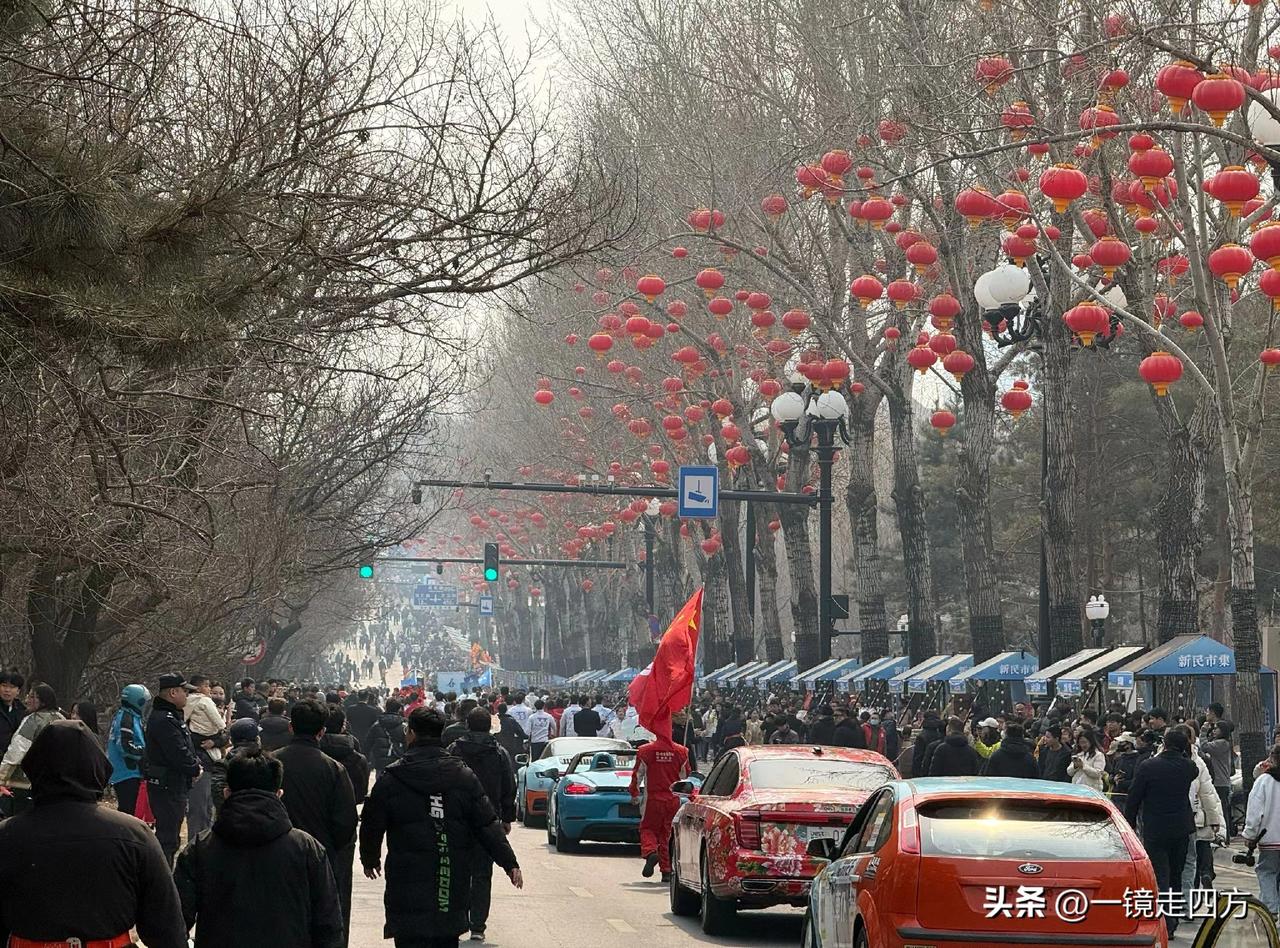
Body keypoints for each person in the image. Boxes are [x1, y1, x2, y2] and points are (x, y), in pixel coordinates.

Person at [0, 720, 188, 948]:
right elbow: (167, 930)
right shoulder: (134, 835)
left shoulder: (8, 836)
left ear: (34, 768)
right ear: (98, 767)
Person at [360, 708, 522, 948]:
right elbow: (486, 823)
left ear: (411, 733)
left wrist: (370, 857)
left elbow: (372, 823)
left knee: (409, 937)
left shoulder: (393, 776)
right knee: (445, 937)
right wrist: (509, 862)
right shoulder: (463, 776)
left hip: (407, 876)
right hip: (450, 874)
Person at [175, 746, 343, 948]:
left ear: (227, 792)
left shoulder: (201, 848)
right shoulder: (306, 848)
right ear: (279, 793)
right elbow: (328, 924)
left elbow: (174, 923)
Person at [274, 699, 359, 944]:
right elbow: (346, 821)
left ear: (291, 727)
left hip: (278, 851)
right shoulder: (334, 769)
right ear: (322, 731)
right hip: (323, 853)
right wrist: (331, 847)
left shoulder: (273, 763)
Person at [448, 707, 516, 942]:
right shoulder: (499, 753)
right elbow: (509, 786)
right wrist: (506, 818)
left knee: (456, 871)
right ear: (489, 727)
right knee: (482, 874)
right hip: (488, 821)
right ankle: (477, 925)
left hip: (456, 819)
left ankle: (457, 921)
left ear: (467, 724)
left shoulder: (454, 750)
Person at [1124, 728, 1198, 937]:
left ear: (1163, 744)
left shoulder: (1149, 766)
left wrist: (1128, 824)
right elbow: (1192, 766)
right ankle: (1172, 922)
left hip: (1156, 828)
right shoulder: (1189, 767)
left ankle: (1164, 921)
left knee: (1160, 876)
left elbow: (1134, 798)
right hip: (1182, 828)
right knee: (1176, 875)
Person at [629, 729, 690, 882]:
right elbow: (685, 776)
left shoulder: (645, 750)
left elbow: (637, 775)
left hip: (652, 799)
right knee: (667, 835)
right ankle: (667, 871)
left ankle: (650, 852)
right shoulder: (682, 751)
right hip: (673, 799)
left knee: (648, 828)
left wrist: (634, 794)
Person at [0, 683, 64, 816]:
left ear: (42, 701)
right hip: (55, 784)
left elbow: (16, 751)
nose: (27, 700)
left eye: (31, 697)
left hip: (25, 783)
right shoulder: (61, 718)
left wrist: (1, 777)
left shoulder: (33, 720)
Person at [184, 675, 226, 838]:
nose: (213, 694)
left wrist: (215, 742)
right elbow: (223, 727)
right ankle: (197, 842)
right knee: (200, 807)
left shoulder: (187, 708)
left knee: (206, 807)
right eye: (210, 689)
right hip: (202, 763)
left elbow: (224, 735)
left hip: (210, 761)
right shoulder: (204, 703)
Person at [1243, 745, 1280, 916]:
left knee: (1267, 872)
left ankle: (1270, 910)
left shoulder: (1264, 781)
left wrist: (1250, 834)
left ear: (1272, 758)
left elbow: (1255, 811)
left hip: (1270, 838)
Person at [108, 684, 151, 816]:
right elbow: (126, 747)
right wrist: (145, 752)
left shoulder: (130, 716)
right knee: (128, 813)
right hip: (127, 773)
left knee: (132, 812)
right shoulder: (126, 719)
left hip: (129, 773)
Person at [321, 704, 372, 807]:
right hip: (345, 812)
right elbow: (361, 794)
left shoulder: (304, 752)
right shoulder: (358, 758)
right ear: (343, 726)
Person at [210, 718, 262, 815]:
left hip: (230, 819)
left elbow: (218, 795)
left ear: (232, 740)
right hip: (261, 819)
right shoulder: (265, 762)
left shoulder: (223, 764)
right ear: (257, 739)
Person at [1200, 720, 1236, 839]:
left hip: (1220, 782)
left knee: (1221, 810)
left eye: (1217, 728)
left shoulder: (1222, 743)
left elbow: (1204, 746)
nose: (1214, 731)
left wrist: (1204, 731)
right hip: (1221, 781)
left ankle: (1224, 835)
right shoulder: (1222, 743)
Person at [369, 697, 408, 776]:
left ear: (386, 707)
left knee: (380, 785)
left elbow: (368, 743)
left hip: (380, 763)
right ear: (399, 709)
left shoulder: (377, 725)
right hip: (398, 762)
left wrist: (370, 760)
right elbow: (407, 746)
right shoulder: (404, 727)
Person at [0, 672, 26, 763]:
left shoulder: (22, 711)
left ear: (18, 691)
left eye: (12, 687)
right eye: (4, 686)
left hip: (12, 761)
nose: (7, 690)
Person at [494, 703, 527, 770]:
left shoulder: (494, 721)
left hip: (497, 746)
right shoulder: (511, 720)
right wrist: (526, 737)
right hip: (510, 746)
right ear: (506, 710)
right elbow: (520, 732)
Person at [911, 711, 943, 776]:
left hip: (924, 772)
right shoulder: (940, 735)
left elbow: (917, 759)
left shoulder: (922, 736)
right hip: (938, 771)